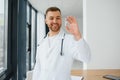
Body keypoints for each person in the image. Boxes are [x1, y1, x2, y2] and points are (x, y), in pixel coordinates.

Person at [32, 6, 91, 80]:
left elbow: (86, 58)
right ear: (46, 21)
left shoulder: (70, 39)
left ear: (61, 20)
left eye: (58, 18)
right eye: (51, 18)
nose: (55, 21)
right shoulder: (41, 43)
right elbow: (37, 69)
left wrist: (77, 35)